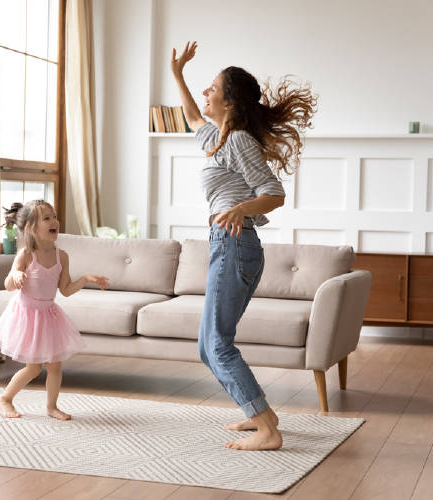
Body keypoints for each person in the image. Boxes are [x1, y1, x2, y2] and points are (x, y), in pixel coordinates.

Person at [170, 41, 317, 450]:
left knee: (217, 344)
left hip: (235, 244)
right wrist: (177, 73)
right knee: (208, 345)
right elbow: (191, 115)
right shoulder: (219, 140)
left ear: (230, 101)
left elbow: (274, 193)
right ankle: (263, 416)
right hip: (228, 245)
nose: (206, 93)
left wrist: (240, 209)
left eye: (212, 87)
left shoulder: (238, 143)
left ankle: (268, 432)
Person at [0, 200, 109, 420]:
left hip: (49, 315)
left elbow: (65, 290)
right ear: (30, 228)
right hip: (26, 315)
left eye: (54, 216)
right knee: (33, 368)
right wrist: (15, 276)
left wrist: (85, 279)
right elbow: (8, 284)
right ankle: (5, 398)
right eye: (47, 218)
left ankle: (51, 407)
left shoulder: (61, 256)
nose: (54, 221)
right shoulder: (26, 254)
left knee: (55, 366)